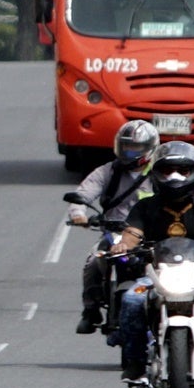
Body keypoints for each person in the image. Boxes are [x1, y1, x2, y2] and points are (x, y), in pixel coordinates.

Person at [109, 141, 194, 385]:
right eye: (167, 170)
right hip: (156, 275)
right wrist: (123, 245)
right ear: (156, 173)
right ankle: (135, 363)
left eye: (183, 171)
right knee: (132, 299)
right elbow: (132, 233)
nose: (175, 176)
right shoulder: (145, 206)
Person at [69, 119, 160, 335]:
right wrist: (78, 214)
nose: (129, 152)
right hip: (114, 234)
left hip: (151, 236)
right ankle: (90, 311)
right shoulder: (107, 172)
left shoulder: (161, 173)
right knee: (93, 262)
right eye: (126, 147)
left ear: (149, 148)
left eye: (135, 148)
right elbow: (84, 193)